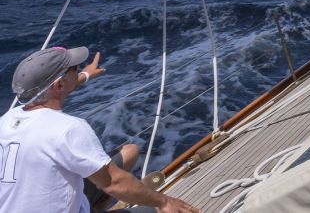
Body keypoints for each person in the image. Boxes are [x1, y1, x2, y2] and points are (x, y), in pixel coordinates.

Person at [0, 46, 198, 213]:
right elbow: (114, 183)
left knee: (129, 152)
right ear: (59, 84)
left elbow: (51, 91)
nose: (77, 72)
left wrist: (85, 76)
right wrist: (164, 202)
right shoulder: (69, 128)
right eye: (74, 69)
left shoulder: (6, 121)